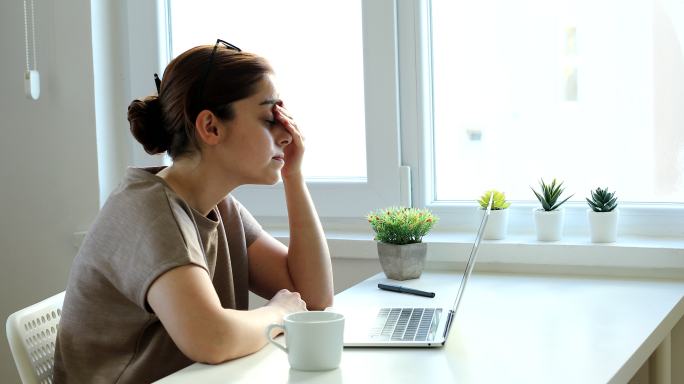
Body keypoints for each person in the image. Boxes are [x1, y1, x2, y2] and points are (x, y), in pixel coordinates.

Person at [53, 40, 334, 383]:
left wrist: (293, 176)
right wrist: (278, 312)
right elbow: (211, 339)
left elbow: (313, 298)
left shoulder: (218, 206)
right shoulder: (149, 211)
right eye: (268, 117)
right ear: (211, 127)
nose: (286, 133)